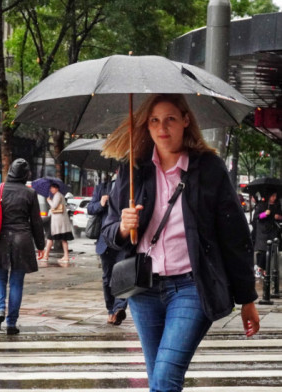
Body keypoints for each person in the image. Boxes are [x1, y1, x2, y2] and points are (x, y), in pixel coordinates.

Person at [101, 93, 260, 391]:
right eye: (155, 120)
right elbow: (107, 234)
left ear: (186, 121)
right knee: (159, 379)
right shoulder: (133, 170)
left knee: (164, 379)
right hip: (143, 290)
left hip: (192, 287)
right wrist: (123, 227)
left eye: (171, 119)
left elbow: (234, 237)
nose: (163, 127)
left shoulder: (209, 169)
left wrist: (247, 298)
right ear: (146, 127)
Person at [0, 158, 46, 335]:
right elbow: (36, 222)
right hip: (23, 240)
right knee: (17, 282)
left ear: (10, 170)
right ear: (26, 175)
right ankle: (11, 323)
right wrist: (40, 245)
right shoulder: (30, 193)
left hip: (0, 239)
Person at [87, 176, 127, 325]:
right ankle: (111, 309)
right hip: (105, 239)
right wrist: (100, 203)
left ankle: (119, 309)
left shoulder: (131, 186)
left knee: (122, 274)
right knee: (107, 277)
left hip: (124, 238)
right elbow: (90, 208)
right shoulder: (102, 187)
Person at [253, 191, 281, 278]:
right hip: (263, 231)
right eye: (272, 196)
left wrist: (279, 217)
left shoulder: (277, 205)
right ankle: (259, 268)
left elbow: (280, 216)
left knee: (271, 250)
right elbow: (256, 217)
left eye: (275, 196)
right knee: (263, 250)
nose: (274, 198)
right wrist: (264, 214)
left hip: (273, 230)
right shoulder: (262, 205)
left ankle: (264, 270)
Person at [45, 184, 74, 262]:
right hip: (59, 220)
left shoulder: (58, 195)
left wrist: (49, 201)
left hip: (58, 221)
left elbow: (54, 206)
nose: (51, 189)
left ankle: (46, 256)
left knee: (53, 237)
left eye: (53, 188)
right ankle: (66, 256)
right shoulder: (59, 195)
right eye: (50, 188)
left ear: (57, 188)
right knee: (63, 239)